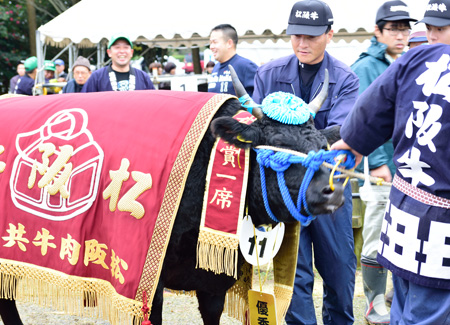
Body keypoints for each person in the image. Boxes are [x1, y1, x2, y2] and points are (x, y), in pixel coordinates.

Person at [252, 1, 359, 324]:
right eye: (296, 35)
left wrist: (286, 139)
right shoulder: (268, 74)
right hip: (286, 192)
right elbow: (258, 131)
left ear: (330, 35)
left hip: (328, 186)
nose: (302, 43)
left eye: (311, 36)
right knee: (293, 275)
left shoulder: (346, 78)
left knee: (340, 271)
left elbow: (340, 133)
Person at [331, 42, 450, 325]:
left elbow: (374, 105)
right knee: (427, 316)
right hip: (440, 226)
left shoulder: (419, 56)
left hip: (404, 210)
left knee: (403, 308)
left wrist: (352, 143)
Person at [350, 2, 417, 324]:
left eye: (405, 28)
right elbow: (363, 117)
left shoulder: (412, 61)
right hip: (381, 164)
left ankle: (396, 297)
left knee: (407, 233)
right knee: (376, 234)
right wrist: (377, 160)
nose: (401, 35)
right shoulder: (366, 67)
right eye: (393, 29)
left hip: (413, 165)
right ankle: (375, 302)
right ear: (378, 32)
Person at [82, 35, 154, 92]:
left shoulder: (143, 77)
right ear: (109, 52)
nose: (122, 51)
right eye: (117, 47)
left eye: (126, 47)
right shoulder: (97, 77)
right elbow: (85, 102)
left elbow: (153, 102)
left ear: (131, 52)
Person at [207, 24, 258, 96]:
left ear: (229, 43)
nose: (211, 47)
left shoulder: (246, 66)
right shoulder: (216, 68)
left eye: (215, 42)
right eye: (210, 43)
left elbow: (259, 97)